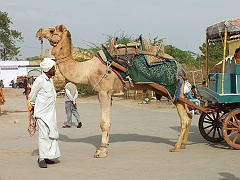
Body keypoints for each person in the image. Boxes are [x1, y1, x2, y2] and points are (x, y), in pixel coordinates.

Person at [29, 58, 60, 168]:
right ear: (48, 70)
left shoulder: (50, 80)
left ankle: (48, 156)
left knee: (52, 135)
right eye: (53, 68)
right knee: (43, 136)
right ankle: (41, 158)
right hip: (42, 114)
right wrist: (33, 108)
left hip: (51, 114)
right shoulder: (39, 80)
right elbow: (32, 97)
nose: (55, 70)